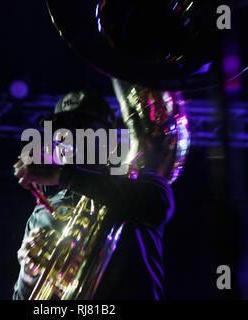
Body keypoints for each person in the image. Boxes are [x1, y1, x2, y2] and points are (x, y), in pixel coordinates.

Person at [12, 90, 174, 300]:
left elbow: (158, 204)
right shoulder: (43, 213)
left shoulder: (136, 182)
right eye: (61, 131)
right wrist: (29, 274)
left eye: (81, 128)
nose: (67, 138)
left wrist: (64, 175)